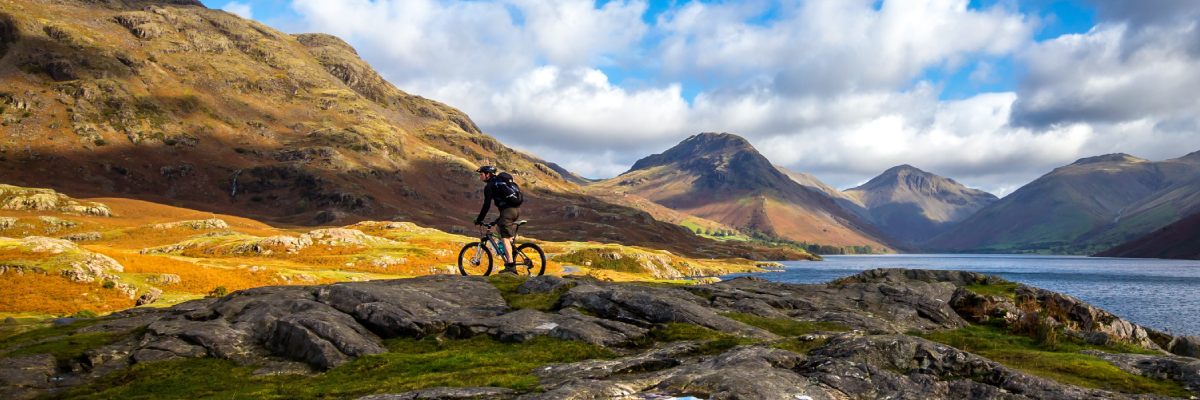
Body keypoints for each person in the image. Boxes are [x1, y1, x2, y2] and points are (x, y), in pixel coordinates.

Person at [474, 165, 521, 274]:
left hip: (508, 212)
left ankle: (510, 266)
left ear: (487, 175)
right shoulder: (498, 184)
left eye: (481, 174)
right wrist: (496, 220)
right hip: (515, 211)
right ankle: (512, 252)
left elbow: (486, 205)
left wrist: (479, 219)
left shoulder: (490, 186)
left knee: (504, 237)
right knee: (500, 230)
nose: (480, 177)